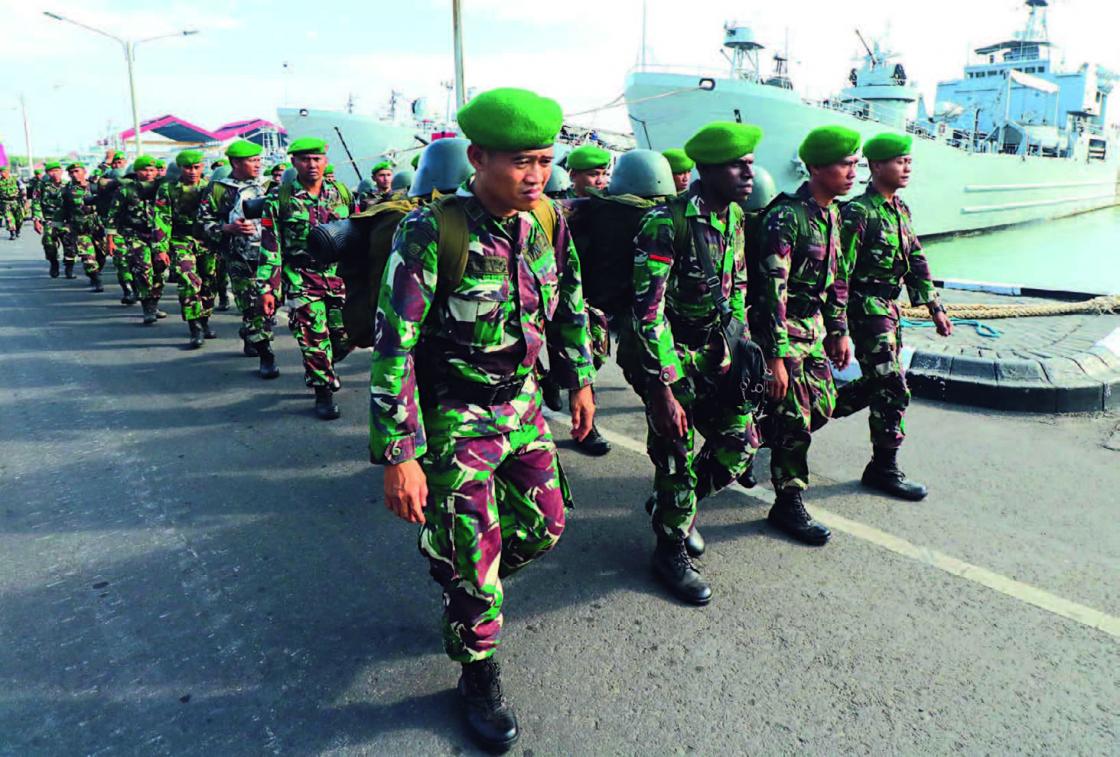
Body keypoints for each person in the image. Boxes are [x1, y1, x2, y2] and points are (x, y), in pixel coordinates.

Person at [370, 87, 595, 752]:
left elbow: (572, 301)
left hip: (522, 407)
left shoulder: (548, 219)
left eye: (545, 160)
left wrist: (578, 378)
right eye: (522, 161)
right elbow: (395, 344)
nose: (536, 174)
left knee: (546, 527)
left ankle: (466, 576)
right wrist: (399, 453)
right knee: (475, 559)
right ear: (478, 157)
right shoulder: (434, 230)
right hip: (455, 419)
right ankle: (477, 668)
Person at [632, 122, 762, 604]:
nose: (748, 174)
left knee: (741, 444)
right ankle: (669, 551)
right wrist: (662, 388)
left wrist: (743, 348)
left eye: (750, 164)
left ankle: (674, 510)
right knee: (675, 457)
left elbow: (739, 288)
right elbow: (647, 314)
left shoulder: (735, 219)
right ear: (706, 170)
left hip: (719, 357)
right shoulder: (666, 223)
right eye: (737, 165)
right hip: (673, 361)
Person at [754, 125, 859, 546]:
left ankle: (758, 436)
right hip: (783, 332)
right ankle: (788, 500)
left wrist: (838, 331)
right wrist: (776, 357)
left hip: (812, 332)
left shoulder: (832, 214)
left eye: (855, 163)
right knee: (796, 419)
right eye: (843, 164)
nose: (853, 171)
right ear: (815, 168)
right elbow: (770, 293)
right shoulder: (786, 217)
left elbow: (837, 279)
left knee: (824, 405)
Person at [834, 132, 952, 499]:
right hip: (865, 309)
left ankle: (801, 414)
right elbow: (838, 273)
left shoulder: (900, 209)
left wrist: (934, 307)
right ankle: (883, 468)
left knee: (878, 383)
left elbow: (916, 259)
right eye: (900, 161)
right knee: (892, 385)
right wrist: (838, 327)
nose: (907, 168)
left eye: (909, 161)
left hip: (890, 310)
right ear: (876, 166)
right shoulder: (857, 212)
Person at [258, 137, 353, 419]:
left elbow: (356, 233)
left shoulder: (341, 192)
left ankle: (324, 365)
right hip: (301, 275)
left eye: (316, 158)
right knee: (313, 335)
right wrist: (267, 289)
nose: (311, 164)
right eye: (304, 159)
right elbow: (270, 246)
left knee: (345, 336)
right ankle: (323, 391)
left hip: (338, 276)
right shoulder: (280, 198)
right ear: (294, 162)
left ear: (325, 160)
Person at [198, 139, 278, 378]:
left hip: (271, 257)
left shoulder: (269, 185)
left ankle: (251, 332)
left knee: (273, 305)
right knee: (255, 307)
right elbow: (202, 224)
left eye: (258, 160)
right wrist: (227, 229)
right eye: (251, 161)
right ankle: (266, 355)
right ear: (235, 163)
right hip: (240, 258)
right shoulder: (218, 189)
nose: (257, 165)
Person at [155, 149, 219, 348]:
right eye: (188, 168)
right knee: (189, 282)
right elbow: (161, 219)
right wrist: (161, 248)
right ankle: (195, 327)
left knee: (209, 283)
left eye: (196, 167)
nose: (192, 171)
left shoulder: (210, 187)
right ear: (181, 168)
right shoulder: (168, 189)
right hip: (181, 240)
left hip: (207, 241)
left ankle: (205, 319)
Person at [110, 155, 168, 324]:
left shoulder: (162, 189)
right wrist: (111, 239)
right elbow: (113, 215)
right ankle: (147, 307)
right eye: (144, 170)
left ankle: (154, 302)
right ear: (137, 171)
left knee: (161, 271)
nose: (149, 173)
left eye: (152, 170)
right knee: (143, 270)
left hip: (158, 236)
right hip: (134, 235)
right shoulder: (126, 190)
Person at [57, 163, 104, 291]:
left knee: (101, 255)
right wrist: (59, 226)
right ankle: (96, 280)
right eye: (71, 172)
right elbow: (62, 209)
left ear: (84, 172)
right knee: (87, 257)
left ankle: (97, 272)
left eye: (77, 171)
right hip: (80, 229)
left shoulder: (95, 186)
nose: (74, 174)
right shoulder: (66, 190)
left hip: (98, 227)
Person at [31, 161, 68, 278]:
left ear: (61, 172)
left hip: (66, 220)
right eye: (52, 171)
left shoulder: (68, 185)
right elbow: (36, 202)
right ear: (47, 173)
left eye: (57, 170)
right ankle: (54, 263)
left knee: (70, 245)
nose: (55, 174)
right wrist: (36, 220)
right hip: (49, 219)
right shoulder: (42, 185)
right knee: (48, 243)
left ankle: (69, 267)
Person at [0, 165, 23, 240]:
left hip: (16, 202)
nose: (2, 174)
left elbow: (22, 188)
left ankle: (18, 229)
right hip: (5, 203)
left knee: (19, 219)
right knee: (9, 218)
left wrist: (24, 198)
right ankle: (12, 233)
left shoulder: (15, 179)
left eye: (4, 172)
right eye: (1, 172)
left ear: (8, 172)